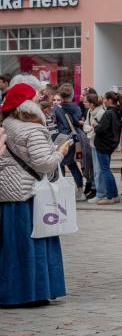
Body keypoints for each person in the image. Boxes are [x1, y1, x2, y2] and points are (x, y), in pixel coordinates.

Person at [0, 83, 69, 307]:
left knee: (10, 247)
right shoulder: (32, 129)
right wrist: (60, 152)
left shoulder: (6, 125)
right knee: (34, 246)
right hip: (30, 194)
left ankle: (10, 292)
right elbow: (43, 164)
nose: (41, 98)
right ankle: (33, 293)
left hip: (8, 193)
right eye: (36, 96)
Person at [51, 83, 85, 194]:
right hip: (72, 138)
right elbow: (78, 121)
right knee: (72, 164)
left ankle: (61, 188)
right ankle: (80, 188)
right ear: (72, 94)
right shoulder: (76, 107)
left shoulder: (56, 109)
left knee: (60, 163)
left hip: (60, 138)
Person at [92, 91, 122, 204]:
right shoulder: (117, 112)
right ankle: (114, 195)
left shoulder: (109, 113)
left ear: (110, 100)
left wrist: (96, 126)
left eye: (105, 99)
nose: (103, 101)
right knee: (107, 170)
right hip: (109, 145)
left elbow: (101, 130)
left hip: (103, 146)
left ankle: (110, 196)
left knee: (105, 170)